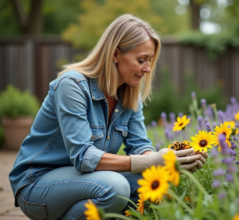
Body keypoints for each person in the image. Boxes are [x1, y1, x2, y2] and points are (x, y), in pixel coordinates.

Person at [9, 14, 207, 220]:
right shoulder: (72, 86)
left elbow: (140, 146)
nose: (147, 68)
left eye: (149, 60)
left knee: (155, 181)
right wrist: (149, 161)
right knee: (116, 187)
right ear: (115, 54)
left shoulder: (129, 93)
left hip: (85, 181)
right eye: (141, 60)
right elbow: (83, 157)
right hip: (37, 185)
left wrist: (168, 161)